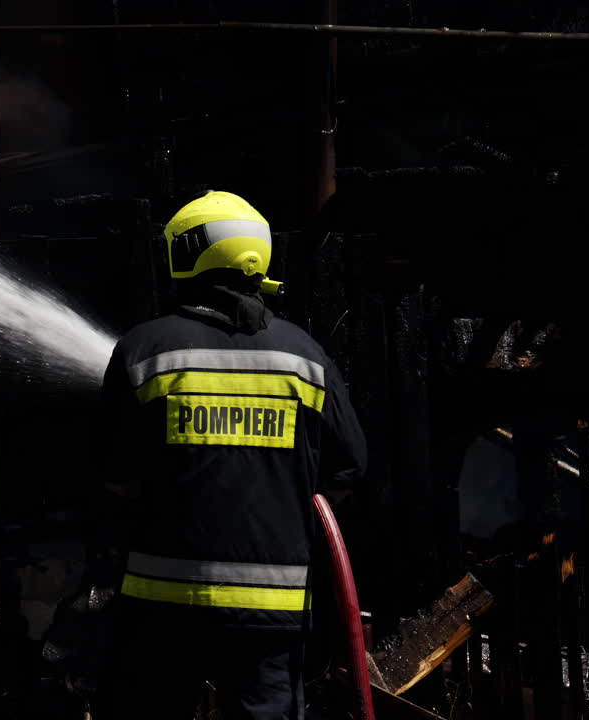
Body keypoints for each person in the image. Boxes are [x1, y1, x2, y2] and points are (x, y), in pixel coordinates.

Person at [94, 191, 367, 720]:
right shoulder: (306, 358)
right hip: (273, 610)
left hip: (162, 605)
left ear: (186, 253)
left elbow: (114, 474)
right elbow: (350, 465)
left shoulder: (145, 350)